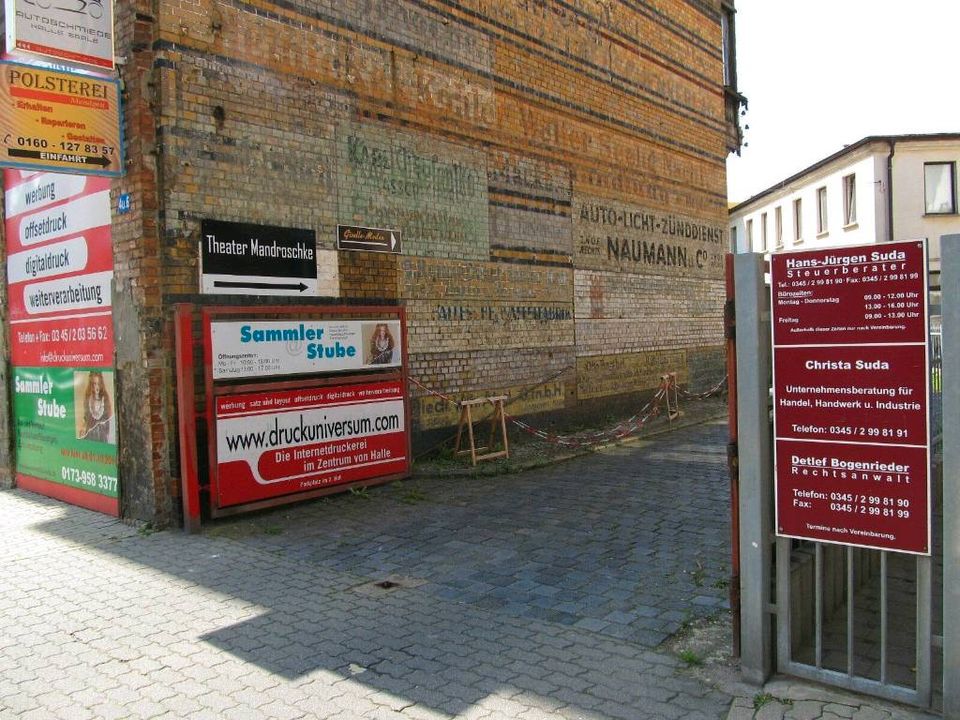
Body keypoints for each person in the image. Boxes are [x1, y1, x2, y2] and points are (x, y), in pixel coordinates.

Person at [81, 371, 113, 442]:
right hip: (90, 433)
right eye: (94, 384)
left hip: (102, 435)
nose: (97, 387)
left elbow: (108, 417)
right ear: (91, 385)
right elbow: (86, 417)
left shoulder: (105, 399)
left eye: (98, 384)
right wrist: (83, 427)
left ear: (101, 384)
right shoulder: (88, 398)